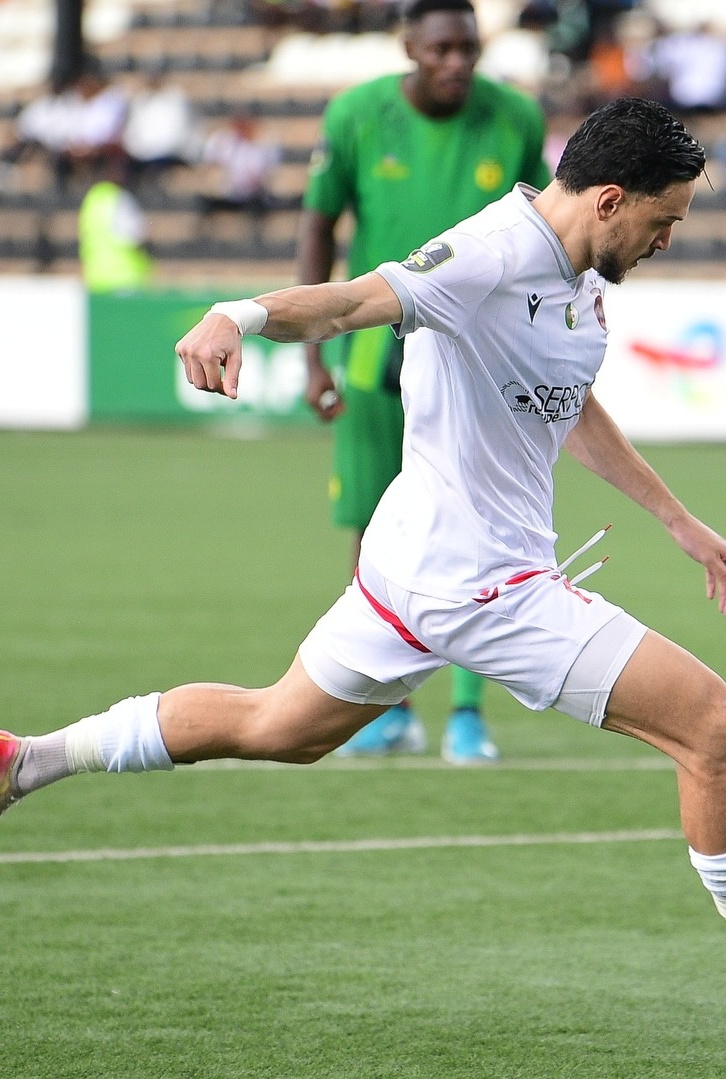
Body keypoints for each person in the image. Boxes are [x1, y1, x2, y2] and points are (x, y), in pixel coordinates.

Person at [0, 96, 726, 1031]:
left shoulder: (580, 277)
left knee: (276, 723)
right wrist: (235, 313)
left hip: (410, 572)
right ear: (611, 199)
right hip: (480, 584)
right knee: (715, 728)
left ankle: (21, 759)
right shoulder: (490, 252)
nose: (669, 240)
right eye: (665, 221)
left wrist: (679, 520)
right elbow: (359, 298)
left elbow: (563, 402)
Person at [299, 0, 552, 763]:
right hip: (374, 356)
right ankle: (384, 709)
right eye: (439, 49)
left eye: (467, 49)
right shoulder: (355, 116)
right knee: (376, 528)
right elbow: (320, 223)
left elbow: (546, 227)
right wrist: (314, 352)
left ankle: (468, 712)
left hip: (480, 362)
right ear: (409, 45)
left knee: (484, 531)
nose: (455, 63)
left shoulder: (515, 118)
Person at [77, 152, 153, 292]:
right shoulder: (119, 198)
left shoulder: (92, 199)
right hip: (125, 278)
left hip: (96, 279)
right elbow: (134, 237)